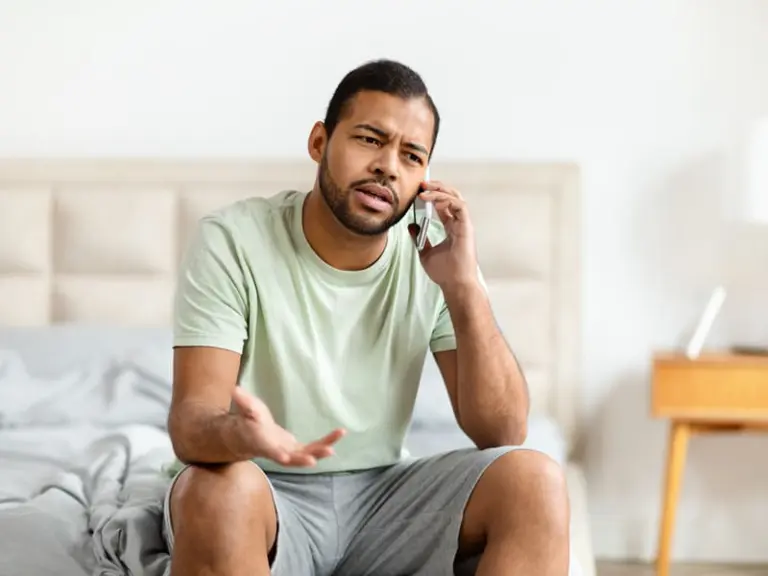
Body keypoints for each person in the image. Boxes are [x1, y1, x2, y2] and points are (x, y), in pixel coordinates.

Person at [163, 58, 571, 576]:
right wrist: (243, 438)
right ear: (319, 143)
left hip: (384, 499)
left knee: (535, 480)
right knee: (216, 493)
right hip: (262, 489)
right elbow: (190, 423)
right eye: (370, 139)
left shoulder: (437, 260)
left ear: (425, 178)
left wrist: (463, 287)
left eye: (411, 155)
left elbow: (503, 430)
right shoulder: (233, 241)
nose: (388, 166)